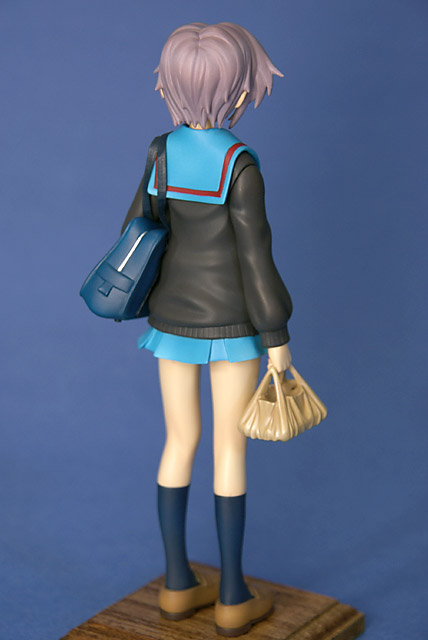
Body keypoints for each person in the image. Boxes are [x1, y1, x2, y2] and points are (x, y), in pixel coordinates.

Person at [122, 22, 293, 637]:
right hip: (236, 327)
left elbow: (138, 228)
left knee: (178, 441)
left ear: (170, 85)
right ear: (239, 90)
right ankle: (231, 595)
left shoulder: (161, 152)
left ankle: (175, 585)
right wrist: (277, 335)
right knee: (229, 448)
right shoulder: (240, 165)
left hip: (172, 322)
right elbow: (256, 257)